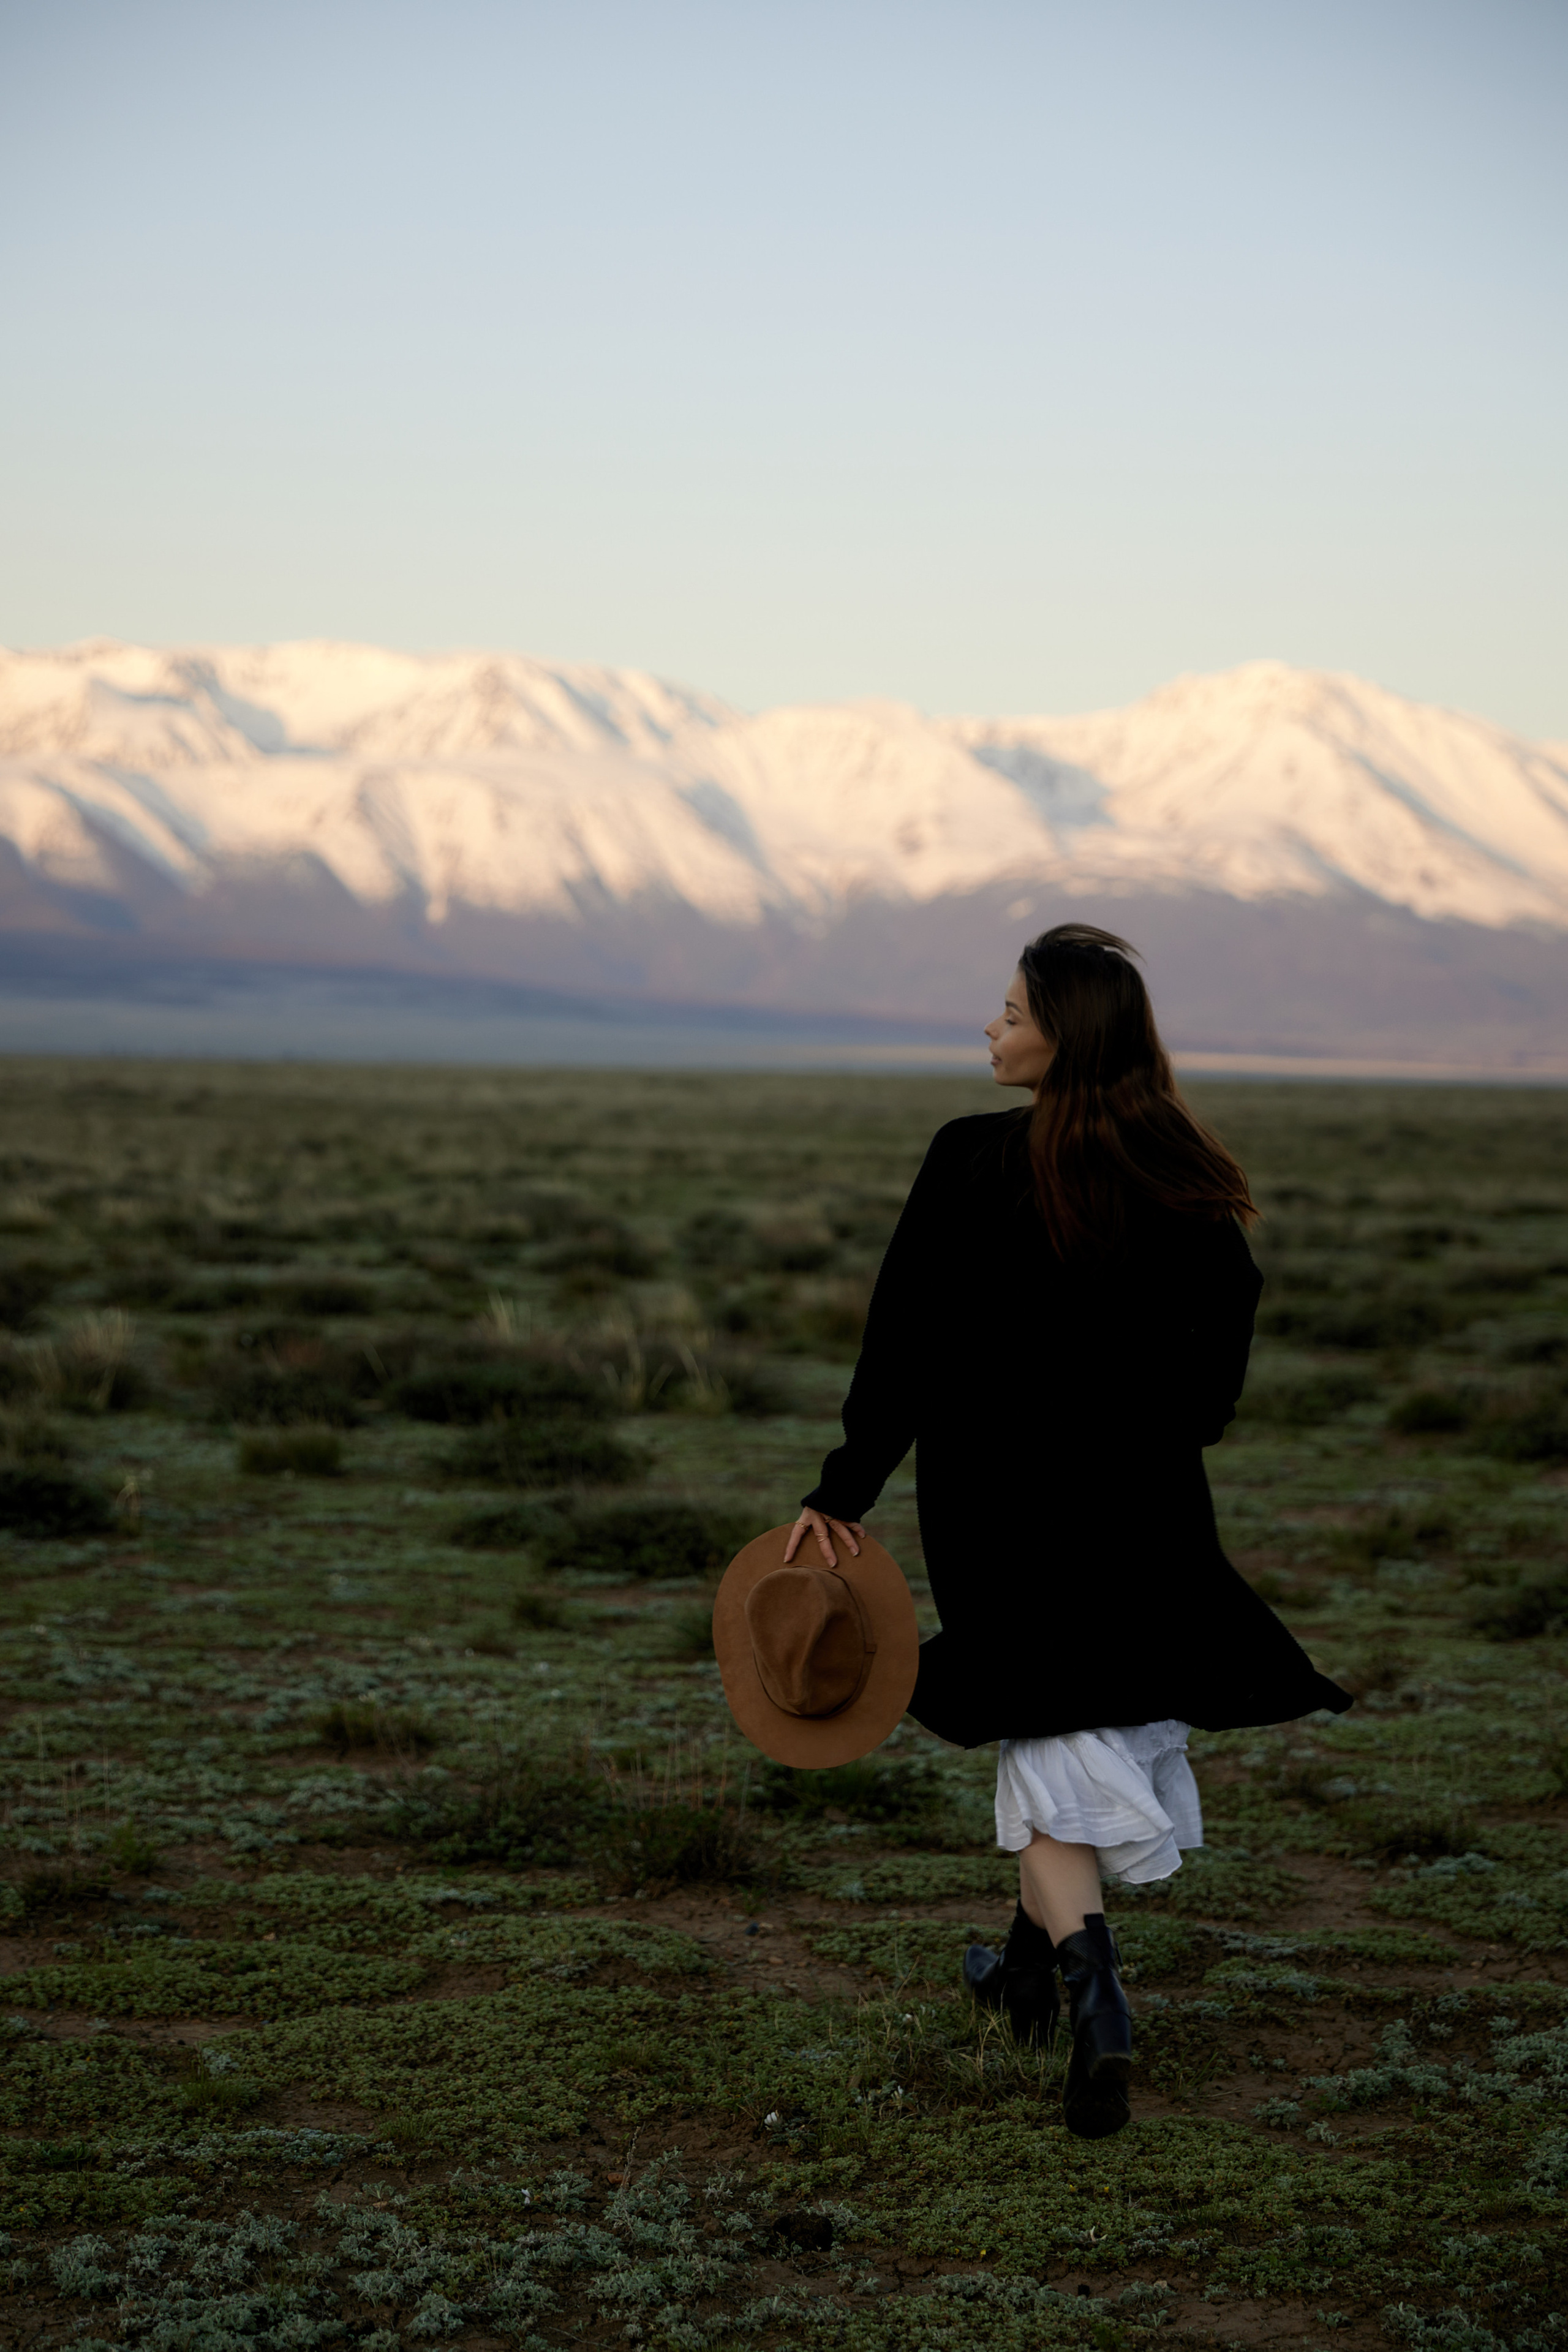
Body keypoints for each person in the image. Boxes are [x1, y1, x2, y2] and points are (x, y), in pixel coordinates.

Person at [784, 923, 1351, 2140]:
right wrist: (1150, 1425)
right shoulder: (1183, 1177)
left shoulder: (966, 1160)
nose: (987, 1029)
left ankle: (1099, 2010)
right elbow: (1213, 1374)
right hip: (1141, 1502)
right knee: (1090, 1706)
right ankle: (1023, 1971)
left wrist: (843, 1489)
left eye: (1007, 1011)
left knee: (1045, 1742)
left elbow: (900, 1348)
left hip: (996, 1505)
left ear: (1064, 1035)